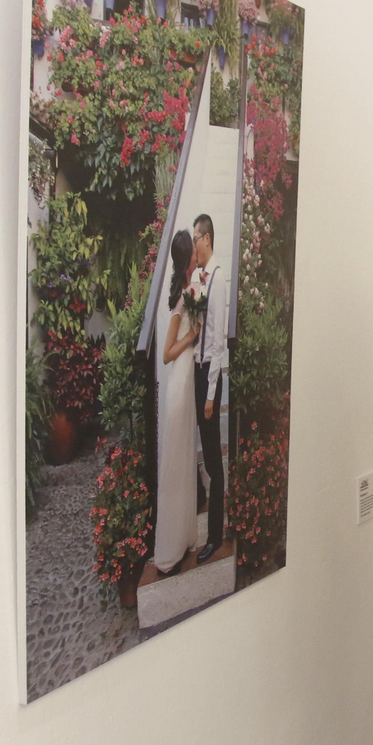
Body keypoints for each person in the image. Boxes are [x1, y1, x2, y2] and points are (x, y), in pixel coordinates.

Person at [154, 231, 202, 575]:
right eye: (194, 253)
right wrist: (190, 336)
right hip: (179, 383)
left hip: (188, 385)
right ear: (187, 263)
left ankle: (184, 538)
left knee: (186, 457)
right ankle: (168, 550)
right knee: (175, 462)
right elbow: (167, 353)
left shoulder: (190, 292)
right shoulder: (180, 302)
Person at [189, 214, 230, 563]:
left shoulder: (218, 279)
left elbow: (218, 343)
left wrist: (211, 395)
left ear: (207, 239)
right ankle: (214, 526)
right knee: (208, 455)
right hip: (200, 372)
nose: (194, 247)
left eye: (196, 239)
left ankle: (215, 535)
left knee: (214, 462)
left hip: (209, 377)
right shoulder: (202, 279)